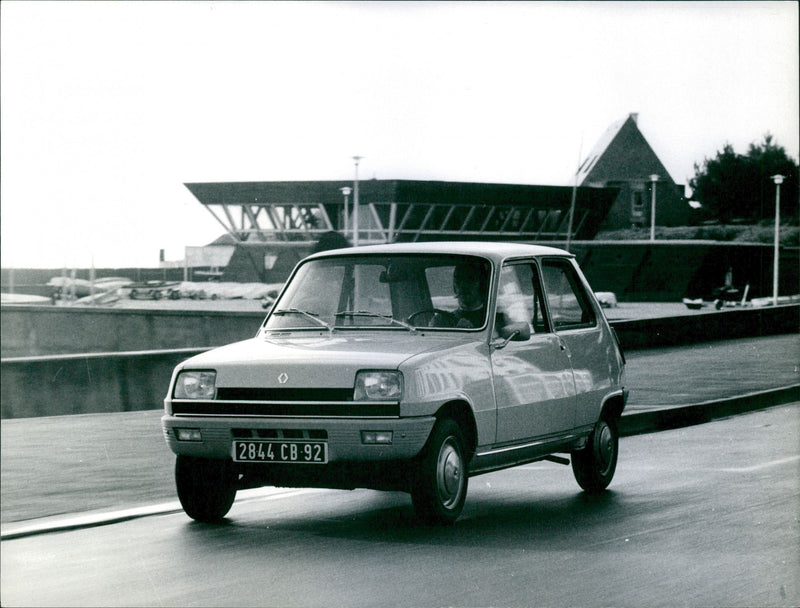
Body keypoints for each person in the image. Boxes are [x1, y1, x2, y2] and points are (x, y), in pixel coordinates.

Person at [452, 262, 488, 328]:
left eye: (470, 279)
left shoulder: (497, 321)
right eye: (458, 279)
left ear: (482, 283)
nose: (463, 285)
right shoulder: (442, 320)